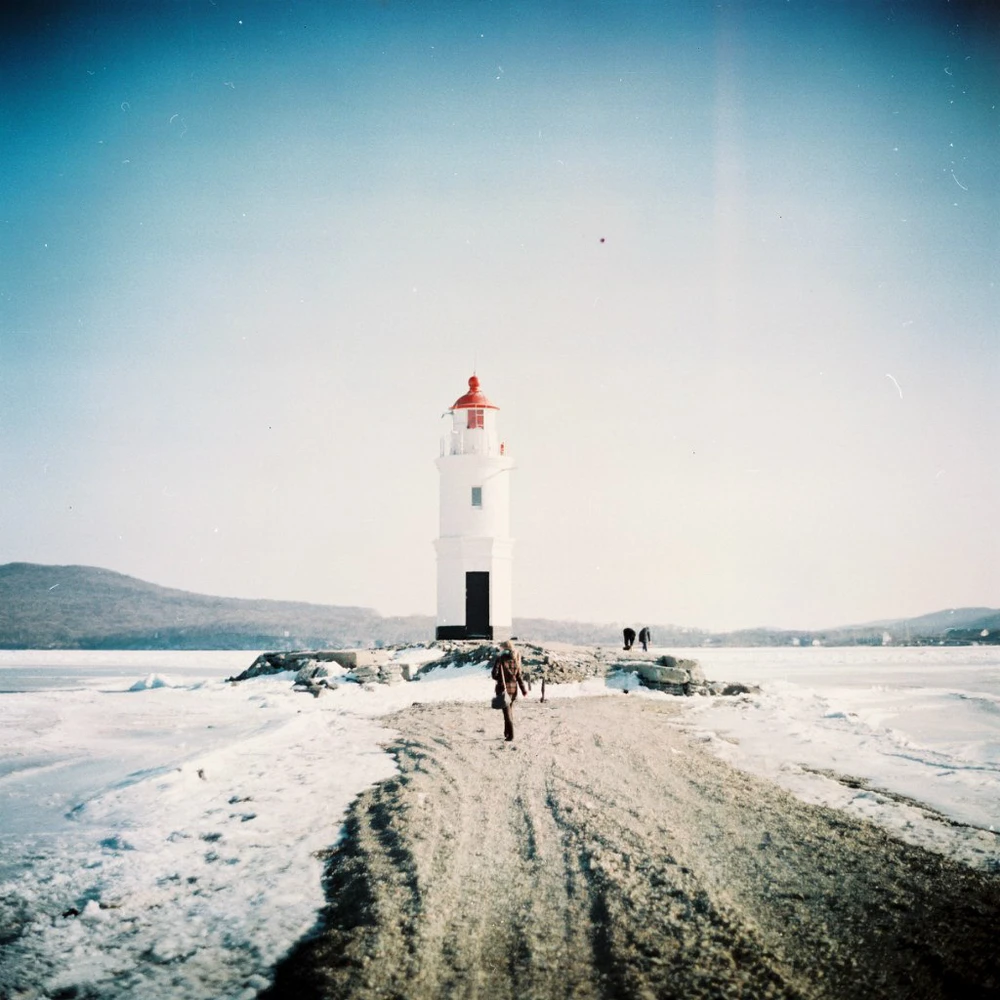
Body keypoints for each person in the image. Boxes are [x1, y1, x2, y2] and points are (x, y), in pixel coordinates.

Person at [492, 640, 528, 742]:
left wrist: (497, 665)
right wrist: (523, 690)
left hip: (503, 690)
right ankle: (506, 732)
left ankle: (511, 735)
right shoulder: (515, 659)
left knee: (507, 714)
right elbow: (519, 677)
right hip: (513, 690)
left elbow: (494, 675)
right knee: (508, 712)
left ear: (504, 648)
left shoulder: (501, 659)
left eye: (501, 648)